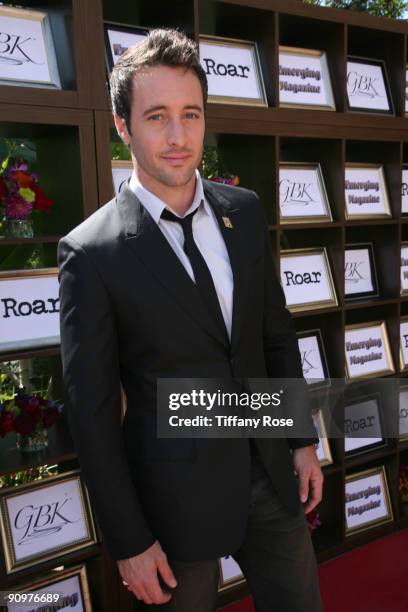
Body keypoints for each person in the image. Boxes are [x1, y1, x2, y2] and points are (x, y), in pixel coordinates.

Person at [58, 28, 324, 612]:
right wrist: (128, 540)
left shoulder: (246, 212)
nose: (179, 137)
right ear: (123, 126)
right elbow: (93, 414)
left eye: (191, 114)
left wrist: (302, 440)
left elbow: (274, 336)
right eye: (157, 117)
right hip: (172, 506)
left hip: (269, 477)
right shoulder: (91, 254)